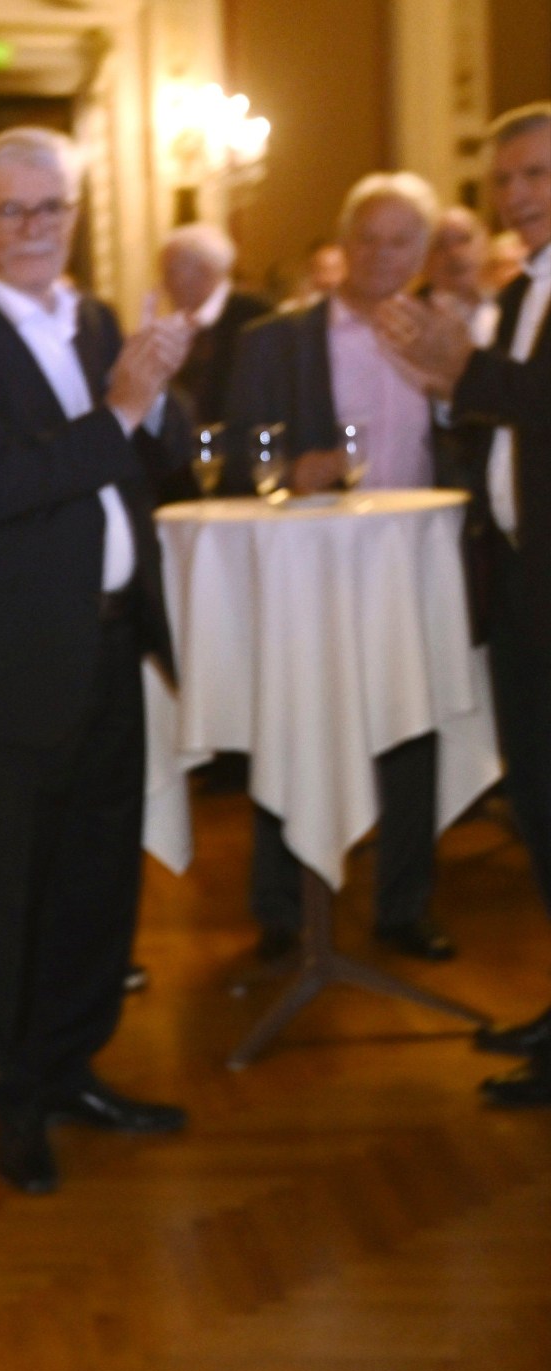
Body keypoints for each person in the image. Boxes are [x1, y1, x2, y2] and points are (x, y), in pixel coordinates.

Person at [0, 127, 194, 1195]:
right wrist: (121, 403)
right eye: (11, 212)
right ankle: (17, 1092)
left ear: (76, 216)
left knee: (92, 882)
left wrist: (153, 397)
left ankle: (72, 1064)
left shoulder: (98, 321)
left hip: (107, 645)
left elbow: (137, 463)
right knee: (7, 893)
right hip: (7, 664)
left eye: (52, 209)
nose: (34, 229)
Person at [222, 173, 461, 966]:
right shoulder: (274, 342)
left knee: (412, 732)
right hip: (309, 566)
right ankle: (281, 908)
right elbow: (235, 464)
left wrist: (454, 389)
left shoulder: (453, 339)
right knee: (290, 722)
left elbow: (483, 451)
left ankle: (403, 905)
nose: (382, 254)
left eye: (401, 240)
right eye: (368, 237)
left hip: (417, 561)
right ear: (342, 243)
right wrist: (291, 470)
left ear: (423, 252)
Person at [377, 102, 551, 1106]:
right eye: (505, 180)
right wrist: (455, 387)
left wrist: (463, 369)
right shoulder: (524, 287)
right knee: (535, 806)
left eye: (535, 175)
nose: (516, 196)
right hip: (523, 585)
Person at [157, 223, 275, 432]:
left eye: (170, 272)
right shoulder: (176, 326)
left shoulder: (259, 317)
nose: (164, 284)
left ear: (205, 271)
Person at [427, 205, 505, 345]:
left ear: (486, 243)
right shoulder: (414, 321)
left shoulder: (510, 306)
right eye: (440, 244)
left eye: (464, 239)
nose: (453, 252)